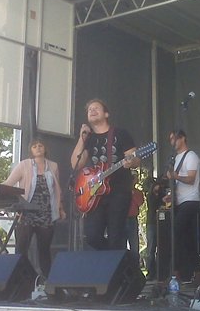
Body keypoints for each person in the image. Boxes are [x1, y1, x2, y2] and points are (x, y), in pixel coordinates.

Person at [71, 99, 140, 250]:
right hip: (96, 194)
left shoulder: (121, 134)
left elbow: (135, 159)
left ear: (106, 113)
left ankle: (119, 265)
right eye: (89, 110)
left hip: (119, 191)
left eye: (96, 108)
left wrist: (131, 162)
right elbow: (76, 164)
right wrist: (82, 139)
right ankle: (114, 258)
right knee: (92, 236)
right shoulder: (89, 139)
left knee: (116, 236)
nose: (92, 111)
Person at [3, 138, 65, 278]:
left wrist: (60, 208)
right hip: (26, 213)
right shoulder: (24, 165)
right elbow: (9, 183)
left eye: (40, 145)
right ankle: (19, 279)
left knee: (44, 250)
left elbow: (57, 190)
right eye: (34, 146)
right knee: (21, 249)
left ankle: (47, 283)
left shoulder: (53, 166)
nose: (38, 148)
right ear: (31, 150)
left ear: (45, 148)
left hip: (46, 213)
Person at [165, 130, 200, 283]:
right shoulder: (175, 159)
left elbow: (191, 179)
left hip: (191, 201)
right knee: (186, 240)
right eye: (170, 139)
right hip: (180, 202)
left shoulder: (191, 156)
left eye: (174, 138)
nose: (172, 142)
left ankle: (175, 272)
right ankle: (199, 274)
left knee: (175, 234)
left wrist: (175, 176)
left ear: (182, 138)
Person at [145, 176, 168, 280]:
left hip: (162, 223)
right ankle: (150, 272)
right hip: (152, 223)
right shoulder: (150, 195)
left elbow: (166, 205)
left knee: (162, 248)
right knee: (150, 250)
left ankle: (161, 272)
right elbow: (152, 205)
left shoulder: (163, 194)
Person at [126, 173, 144, 258]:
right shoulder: (123, 191)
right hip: (123, 218)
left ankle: (135, 265)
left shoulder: (138, 192)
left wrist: (132, 193)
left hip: (133, 219)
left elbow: (139, 203)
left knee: (134, 243)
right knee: (122, 242)